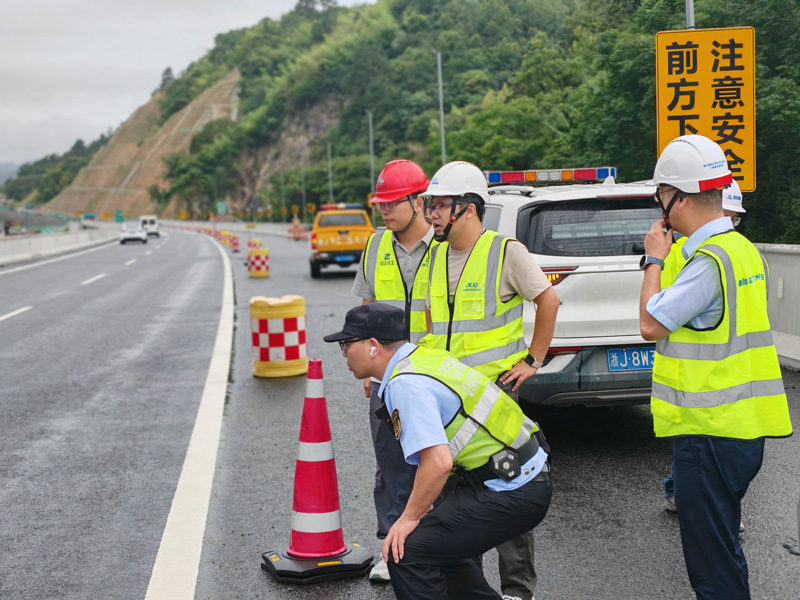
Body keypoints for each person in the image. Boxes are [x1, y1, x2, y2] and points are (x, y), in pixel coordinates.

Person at [639, 134, 792, 599]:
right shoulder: (741, 249)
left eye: (662, 193)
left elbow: (650, 324)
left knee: (711, 564)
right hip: (740, 428)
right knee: (723, 549)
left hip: (708, 432)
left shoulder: (707, 261)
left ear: (679, 198)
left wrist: (653, 259)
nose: (660, 202)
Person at [324, 303, 552, 600]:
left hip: (513, 487)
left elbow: (438, 463)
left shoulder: (405, 384)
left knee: (403, 553)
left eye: (346, 343)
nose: (343, 352)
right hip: (519, 474)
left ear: (372, 346)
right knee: (438, 548)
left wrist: (408, 518)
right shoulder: (424, 357)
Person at [419, 161, 560, 600]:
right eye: (431, 205)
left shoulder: (505, 251)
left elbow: (548, 300)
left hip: (496, 400)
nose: (433, 214)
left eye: (441, 206)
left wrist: (534, 360)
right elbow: (429, 322)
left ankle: (517, 591)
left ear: (469, 208)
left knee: (506, 489)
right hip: (450, 404)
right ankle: (471, 589)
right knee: (458, 500)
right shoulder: (434, 254)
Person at [351, 159, 435, 581]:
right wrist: (368, 369)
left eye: (392, 204)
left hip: (434, 377)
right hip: (387, 378)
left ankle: (438, 546)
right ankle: (392, 546)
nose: (384, 212)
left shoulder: (444, 246)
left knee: (441, 464)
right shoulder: (376, 246)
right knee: (390, 463)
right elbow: (363, 308)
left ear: (418, 202)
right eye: (380, 205)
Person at [662, 178, 748, 515]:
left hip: (723, 373)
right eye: (729, 214)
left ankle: (713, 506)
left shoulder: (734, 252)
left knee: (706, 453)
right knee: (695, 447)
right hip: (693, 368)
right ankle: (686, 494)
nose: (731, 221)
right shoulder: (691, 255)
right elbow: (655, 320)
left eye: (736, 217)